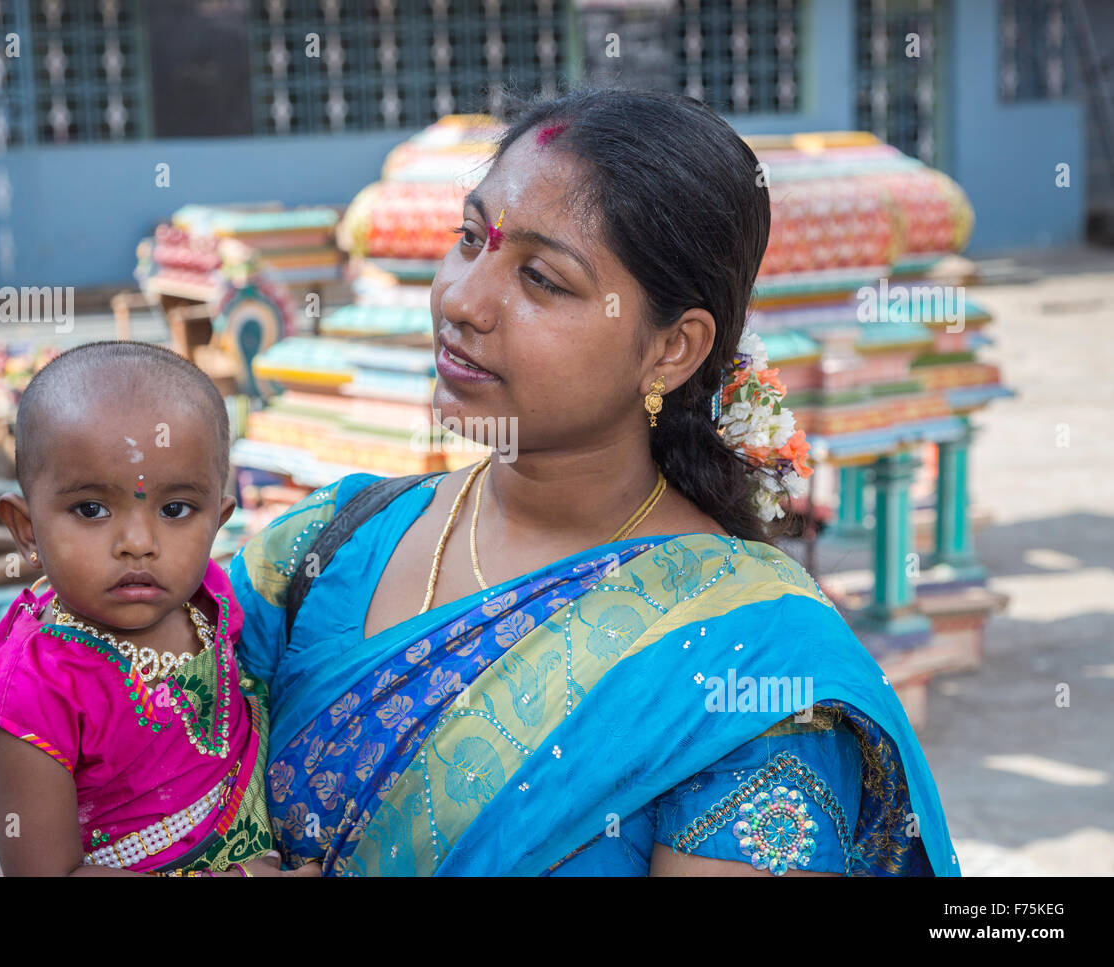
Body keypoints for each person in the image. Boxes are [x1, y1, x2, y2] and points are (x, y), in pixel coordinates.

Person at [228, 88, 959, 876]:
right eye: (470, 238)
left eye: (542, 279)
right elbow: (115, 775)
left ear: (672, 349)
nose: (462, 300)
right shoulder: (320, 548)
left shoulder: (748, 666)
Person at [0, 342, 315, 877]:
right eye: (90, 509)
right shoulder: (33, 696)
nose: (138, 543)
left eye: (176, 509)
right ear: (26, 531)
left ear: (218, 519)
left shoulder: (211, 597)